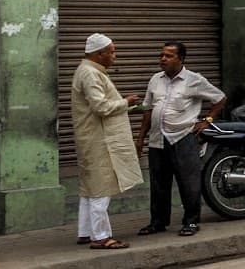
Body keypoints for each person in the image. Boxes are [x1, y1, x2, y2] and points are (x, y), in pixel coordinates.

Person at [136, 41, 224, 238]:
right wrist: (141, 137)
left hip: (183, 137)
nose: (163, 59)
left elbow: (219, 98)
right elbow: (148, 109)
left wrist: (207, 121)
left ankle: (191, 221)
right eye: (162, 55)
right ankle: (158, 222)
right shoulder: (155, 79)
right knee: (158, 183)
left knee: (188, 182)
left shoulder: (194, 80)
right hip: (158, 139)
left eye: (168, 56)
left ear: (181, 59)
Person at [72, 33, 143, 251]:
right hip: (98, 139)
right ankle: (101, 237)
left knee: (90, 187)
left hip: (91, 137)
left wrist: (127, 105)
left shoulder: (88, 70)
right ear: (99, 53)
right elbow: (101, 107)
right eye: (111, 52)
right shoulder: (90, 73)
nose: (114, 56)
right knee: (101, 187)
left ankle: (86, 232)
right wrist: (125, 102)